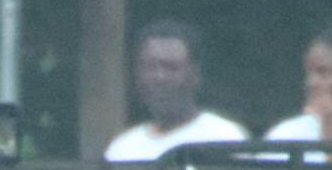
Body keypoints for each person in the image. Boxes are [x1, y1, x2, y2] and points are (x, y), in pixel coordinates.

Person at [104, 21, 248, 162]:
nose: (159, 77)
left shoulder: (224, 137)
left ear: (195, 74)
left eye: (171, 67)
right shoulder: (122, 149)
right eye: (150, 67)